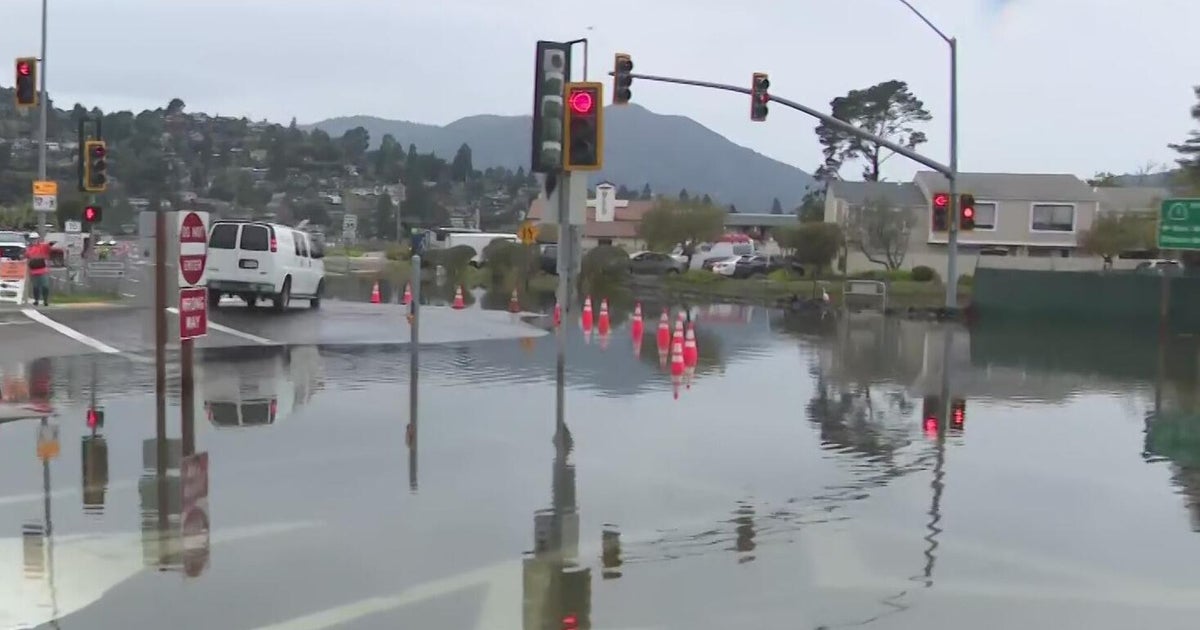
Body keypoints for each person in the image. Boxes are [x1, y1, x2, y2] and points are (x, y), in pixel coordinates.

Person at [25, 235, 51, 306]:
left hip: (43, 270)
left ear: (38, 239)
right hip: (33, 270)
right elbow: (27, 257)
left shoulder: (42, 246)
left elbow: (48, 247)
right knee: (36, 287)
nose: (34, 240)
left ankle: (45, 300)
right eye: (32, 239)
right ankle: (36, 300)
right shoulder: (28, 248)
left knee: (45, 286)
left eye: (35, 239)